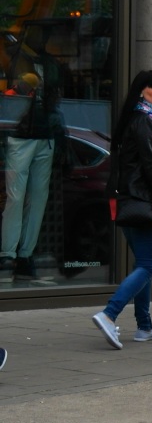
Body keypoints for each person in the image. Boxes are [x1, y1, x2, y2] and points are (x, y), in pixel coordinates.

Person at [90, 70, 152, 350]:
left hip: (127, 201)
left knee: (142, 263)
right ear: (142, 91)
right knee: (147, 265)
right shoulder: (144, 121)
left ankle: (144, 326)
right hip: (141, 201)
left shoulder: (137, 118)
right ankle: (109, 314)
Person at [0, 71, 64, 285]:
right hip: (21, 139)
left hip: (43, 138)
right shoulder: (20, 81)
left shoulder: (43, 73)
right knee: (16, 198)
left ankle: (24, 254)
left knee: (37, 199)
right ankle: (8, 255)